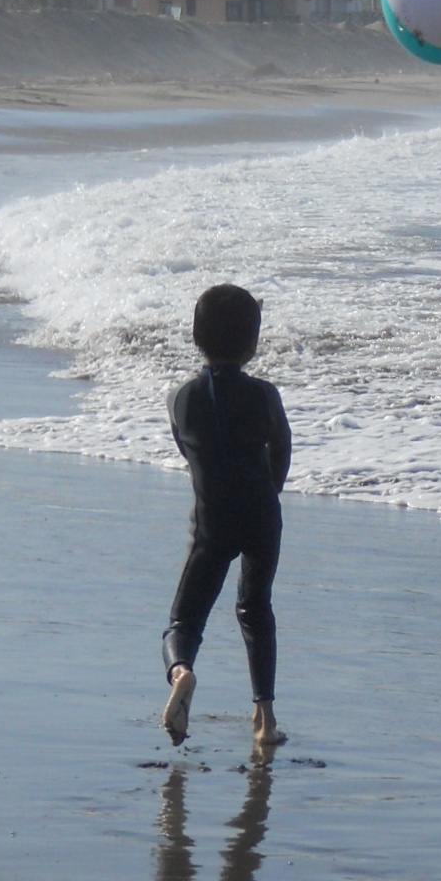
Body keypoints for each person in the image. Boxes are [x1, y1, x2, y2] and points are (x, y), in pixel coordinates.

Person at [160, 283, 292, 752]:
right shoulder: (265, 395)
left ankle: (182, 672)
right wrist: (269, 492)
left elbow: (188, 452)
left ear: (196, 337)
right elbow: (282, 448)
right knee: (256, 610)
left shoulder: (181, 398)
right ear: (252, 343)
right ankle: (265, 718)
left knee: (185, 621)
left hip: (212, 520)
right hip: (262, 516)